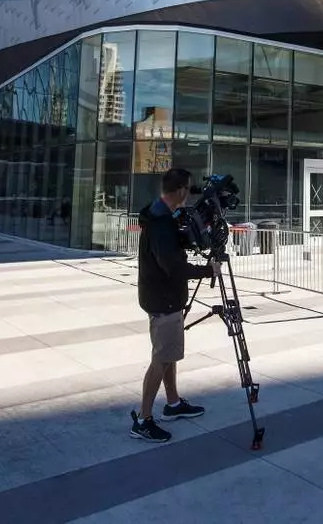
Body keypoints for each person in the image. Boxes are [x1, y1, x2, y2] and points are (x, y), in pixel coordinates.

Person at [130, 167, 220, 443]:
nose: (189, 194)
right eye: (188, 189)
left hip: (161, 297)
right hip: (163, 299)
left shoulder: (158, 214)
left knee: (167, 354)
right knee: (162, 358)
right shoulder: (161, 223)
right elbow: (173, 266)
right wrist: (209, 271)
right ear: (180, 190)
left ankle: (172, 403)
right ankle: (144, 420)